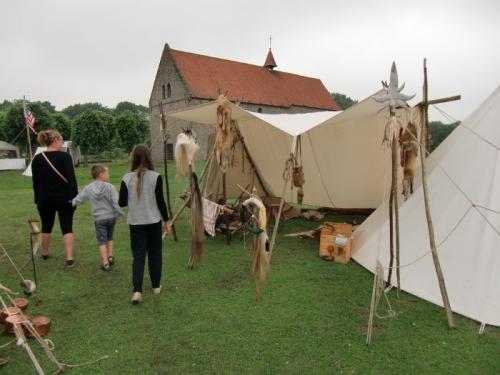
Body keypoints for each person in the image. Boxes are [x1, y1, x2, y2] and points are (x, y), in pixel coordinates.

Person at [119, 145, 172, 304]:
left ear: (133, 158)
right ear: (149, 157)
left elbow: (121, 202)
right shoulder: (156, 177)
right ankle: (156, 286)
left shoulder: (126, 178)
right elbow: (161, 202)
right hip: (153, 222)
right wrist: (167, 221)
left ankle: (137, 291)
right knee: (155, 254)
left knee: (139, 256)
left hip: (136, 224)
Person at [31, 130, 78, 267]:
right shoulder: (65, 157)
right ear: (55, 140)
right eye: (61, 139)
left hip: (45, 199)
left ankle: (45, 253)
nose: (62, 142)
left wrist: (37, 199)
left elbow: (36, 183)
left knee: (46, 226)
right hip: (65, 198)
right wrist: (74, 198)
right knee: (67, 227)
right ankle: (69, 258)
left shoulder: (37, 159)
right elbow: (71, 180)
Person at [72, 164, 124, 271]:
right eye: (107, 173)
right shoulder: (111, 187)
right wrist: (119, 214)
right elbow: (116, 203)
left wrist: (72, 202)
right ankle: (109, 256)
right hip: (111, 218)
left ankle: (105, 262)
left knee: (101, 241)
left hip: (99, 219)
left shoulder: (88, 188)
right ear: (101, 174)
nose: (109, 175)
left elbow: (80, 199)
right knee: (110, 237)